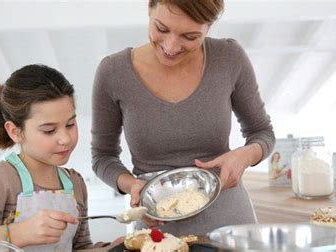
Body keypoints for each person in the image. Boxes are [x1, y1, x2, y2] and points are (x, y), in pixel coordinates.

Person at [91, 0, 275, 236]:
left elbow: (262, 132)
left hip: (232, 228)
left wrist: (245, 156)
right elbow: (102, 157)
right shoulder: (113, 72)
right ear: (149, 8)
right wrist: (133, 186)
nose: (171, 46)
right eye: (161, 29)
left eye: (189, 37)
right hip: (157, 231)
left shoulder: (229, 58)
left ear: (208, 27)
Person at [0, 65, 114, 251]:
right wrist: (17, 234)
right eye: (49, 130)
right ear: (15, 132)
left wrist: (114, 248)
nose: (65, 139)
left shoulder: (75, 183)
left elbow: (79, 247)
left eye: (70, 124)